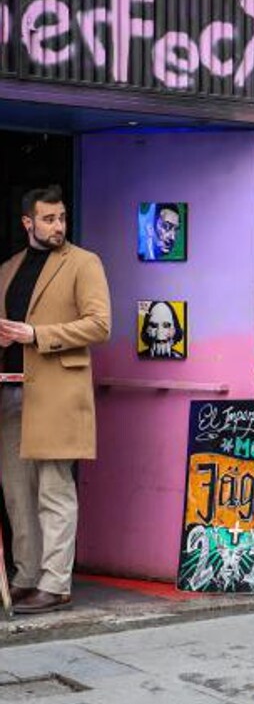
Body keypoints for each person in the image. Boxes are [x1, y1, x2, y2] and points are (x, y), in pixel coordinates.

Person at [0, 185, 112, 615]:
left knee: (53, 488)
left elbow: (99, 325)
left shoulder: (84, 263)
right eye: (48, 219)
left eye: (61, 217)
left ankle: (56, 582)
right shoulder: (9, 268)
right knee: (16, 491)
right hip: (11, 389)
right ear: (28, 222)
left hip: (58, 392)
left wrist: (39, 335)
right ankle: (27, 577)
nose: (58, 226)